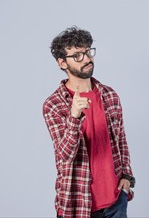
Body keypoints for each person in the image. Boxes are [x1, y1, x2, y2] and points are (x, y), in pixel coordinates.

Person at [42, 26, 136, 218]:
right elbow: (65, 155)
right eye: (77, 55)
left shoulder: (109, 95)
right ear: (62, 63)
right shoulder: (54, 104)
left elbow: (121, 140)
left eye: (87, 52)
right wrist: (74, 117)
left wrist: (127, 177)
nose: (86, 58)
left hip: (116, 200)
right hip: (78, 203)